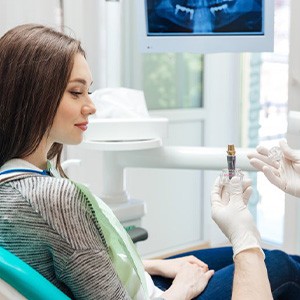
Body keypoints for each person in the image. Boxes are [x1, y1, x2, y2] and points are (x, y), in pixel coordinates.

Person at [0, 23, 299, 300]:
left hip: (140, 282)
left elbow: (80, 262)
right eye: (76, 92)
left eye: (87, 91)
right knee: (279, 264)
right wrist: (181, 288)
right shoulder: (52, 198)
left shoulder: (18, 180)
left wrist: (153, 264)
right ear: (32, 96)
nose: (91, 106)